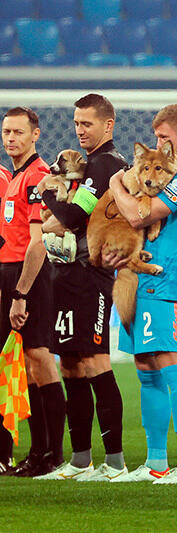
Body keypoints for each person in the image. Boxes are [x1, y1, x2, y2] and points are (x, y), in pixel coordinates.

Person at [108, 104, 177, 484]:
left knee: (171, 364)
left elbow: (138, 215)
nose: (159, 143)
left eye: (164, 136)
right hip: (140, 276)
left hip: (163, 278)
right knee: (146, 369)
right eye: (156, 136)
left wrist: (116, 185)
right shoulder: (167, 169)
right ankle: (155, 462)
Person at [34, 94, 128, 482]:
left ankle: (116, 463)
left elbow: (72, 217)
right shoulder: (90, 165)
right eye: (76, 123)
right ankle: (80, 461)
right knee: (70, 364)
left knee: (95, 361)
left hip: (92, 275)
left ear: (108, 125)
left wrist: (45, 192)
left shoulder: (106, 164)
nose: (79, 130)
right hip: (68, 273)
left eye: (86, 123)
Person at [0, 107, 65, 478]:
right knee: (27, 363)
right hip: (12, 272)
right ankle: (38, 451)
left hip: (30, 276)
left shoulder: (37, 176)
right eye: (7, 132)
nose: (11, 138)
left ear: (35, 135)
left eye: (19, 132)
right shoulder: (15, 176)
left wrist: (20, 293)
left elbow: (38, 242)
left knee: (40, 357)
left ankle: (52, 454)